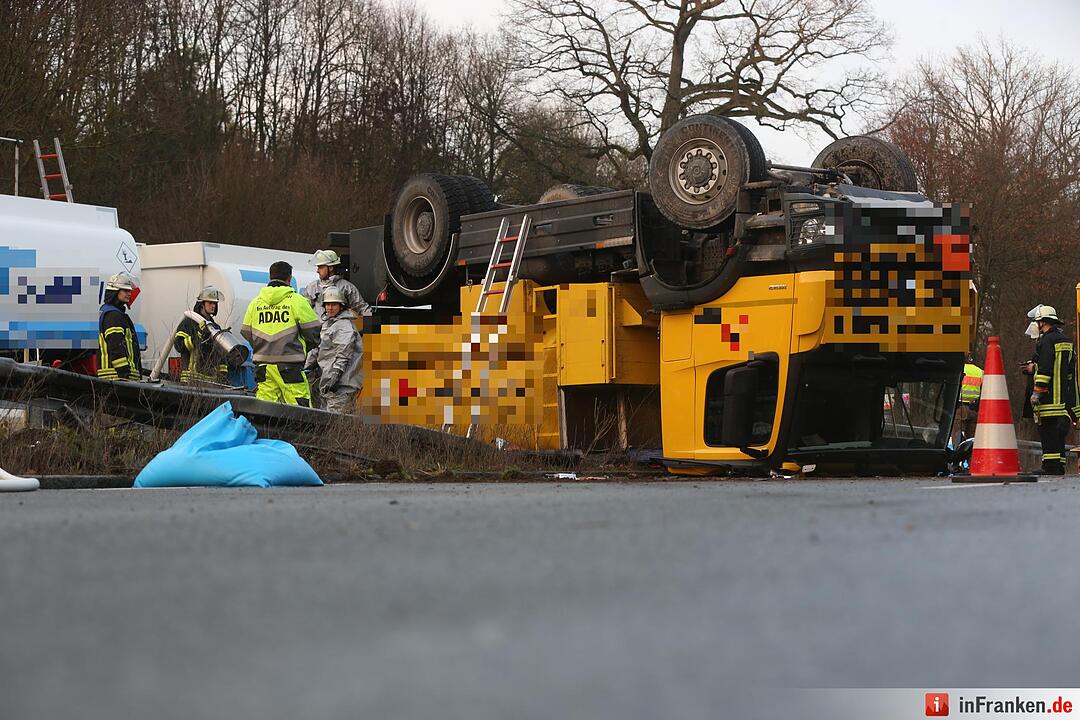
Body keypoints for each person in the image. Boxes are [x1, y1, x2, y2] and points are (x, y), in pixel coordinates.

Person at [240, 261, 321, 406]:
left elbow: (246, 332)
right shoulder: (297, 301)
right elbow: (314, 333)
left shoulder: (255, 303)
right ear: (289, 278)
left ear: (270, 277)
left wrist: (263, 347)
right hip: (290, 367)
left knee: (265, 412)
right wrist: (302, 348)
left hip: (263, 367)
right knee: (300, 413)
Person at [1021, 305, 1080, 475]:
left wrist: (1037, 389)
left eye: (1037, 322)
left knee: (1047, 431)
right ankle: (1058, 465)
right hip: (1064, 398)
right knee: (1058, 432)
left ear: (1043, 322)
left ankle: (1050, 467)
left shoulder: (1047, 340)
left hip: (1049, 397)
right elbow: (1065, 370)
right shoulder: (1065, 340)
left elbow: (1046, 368)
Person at [307, 287, 363, 413]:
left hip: (340, 386)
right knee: (336, 423)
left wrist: (333, 378)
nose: (330, 308)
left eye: (334, 305)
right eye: (327, 305)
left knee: (333, 423)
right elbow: (320, 349)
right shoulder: (330, 324)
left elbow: (343, 355)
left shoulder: (343, 326)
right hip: (332, 384)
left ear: (341, 306)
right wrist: (306, 367)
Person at [173, 286, 227, 384]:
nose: (213, 306)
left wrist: (223, 375)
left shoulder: (215, 328)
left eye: (215, 303)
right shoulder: (189, 322)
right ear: (202, 304)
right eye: (210, 303)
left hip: (211, 381)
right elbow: (179, 346)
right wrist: (198, 336)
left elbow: (219, 354)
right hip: (190, 380)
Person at [97, 272, 143, 381]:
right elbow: (116, 345)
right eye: (125, 290)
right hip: (116, 377)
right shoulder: (113, 315)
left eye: (129, 290)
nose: (129, 293)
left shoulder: (118, 315)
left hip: (120, 377)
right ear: (115, 291)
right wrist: (124, 373)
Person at [303, 249, 370, 319]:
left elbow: (362, 308)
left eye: (321, 267)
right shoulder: (312, 287)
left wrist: (374, 326)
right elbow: (303, 309)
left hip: (340, 328)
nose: (317, 271)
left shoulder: (347, 287)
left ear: (331, 268)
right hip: (319, 329)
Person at [953, 356, 983, 444]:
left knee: (957, 439)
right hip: (974, 410)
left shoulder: (959, 370)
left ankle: (957, 457)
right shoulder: (980, 372)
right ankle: (971, 457)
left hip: (960, 408)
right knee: (972, 441)